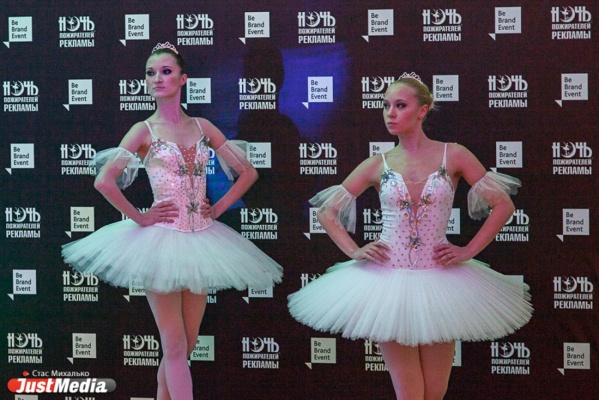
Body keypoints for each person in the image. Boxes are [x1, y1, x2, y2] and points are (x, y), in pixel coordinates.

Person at [288, 73, 532, 400]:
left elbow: (503, 205)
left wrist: (468, 250)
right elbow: (326, 211)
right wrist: (354, 250)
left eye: (400, 105)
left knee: (435, 391)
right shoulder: (377, 164)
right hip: (388, 283)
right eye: (386, 105)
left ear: (422, 111)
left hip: (442, 280)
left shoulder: (454, 155)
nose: (390, 113)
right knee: (409, 393)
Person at [62, 42, 283, 400]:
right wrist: (140, 216)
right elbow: (104, 181)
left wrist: (218, 208)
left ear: (183, 79)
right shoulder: (143, 130)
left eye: (166, 71)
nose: (157, 78)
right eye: (151, 73)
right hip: (161, 241)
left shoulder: (202, 126)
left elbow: (248, 172)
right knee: (175, 345)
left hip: (202, 238)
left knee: (186, 344)